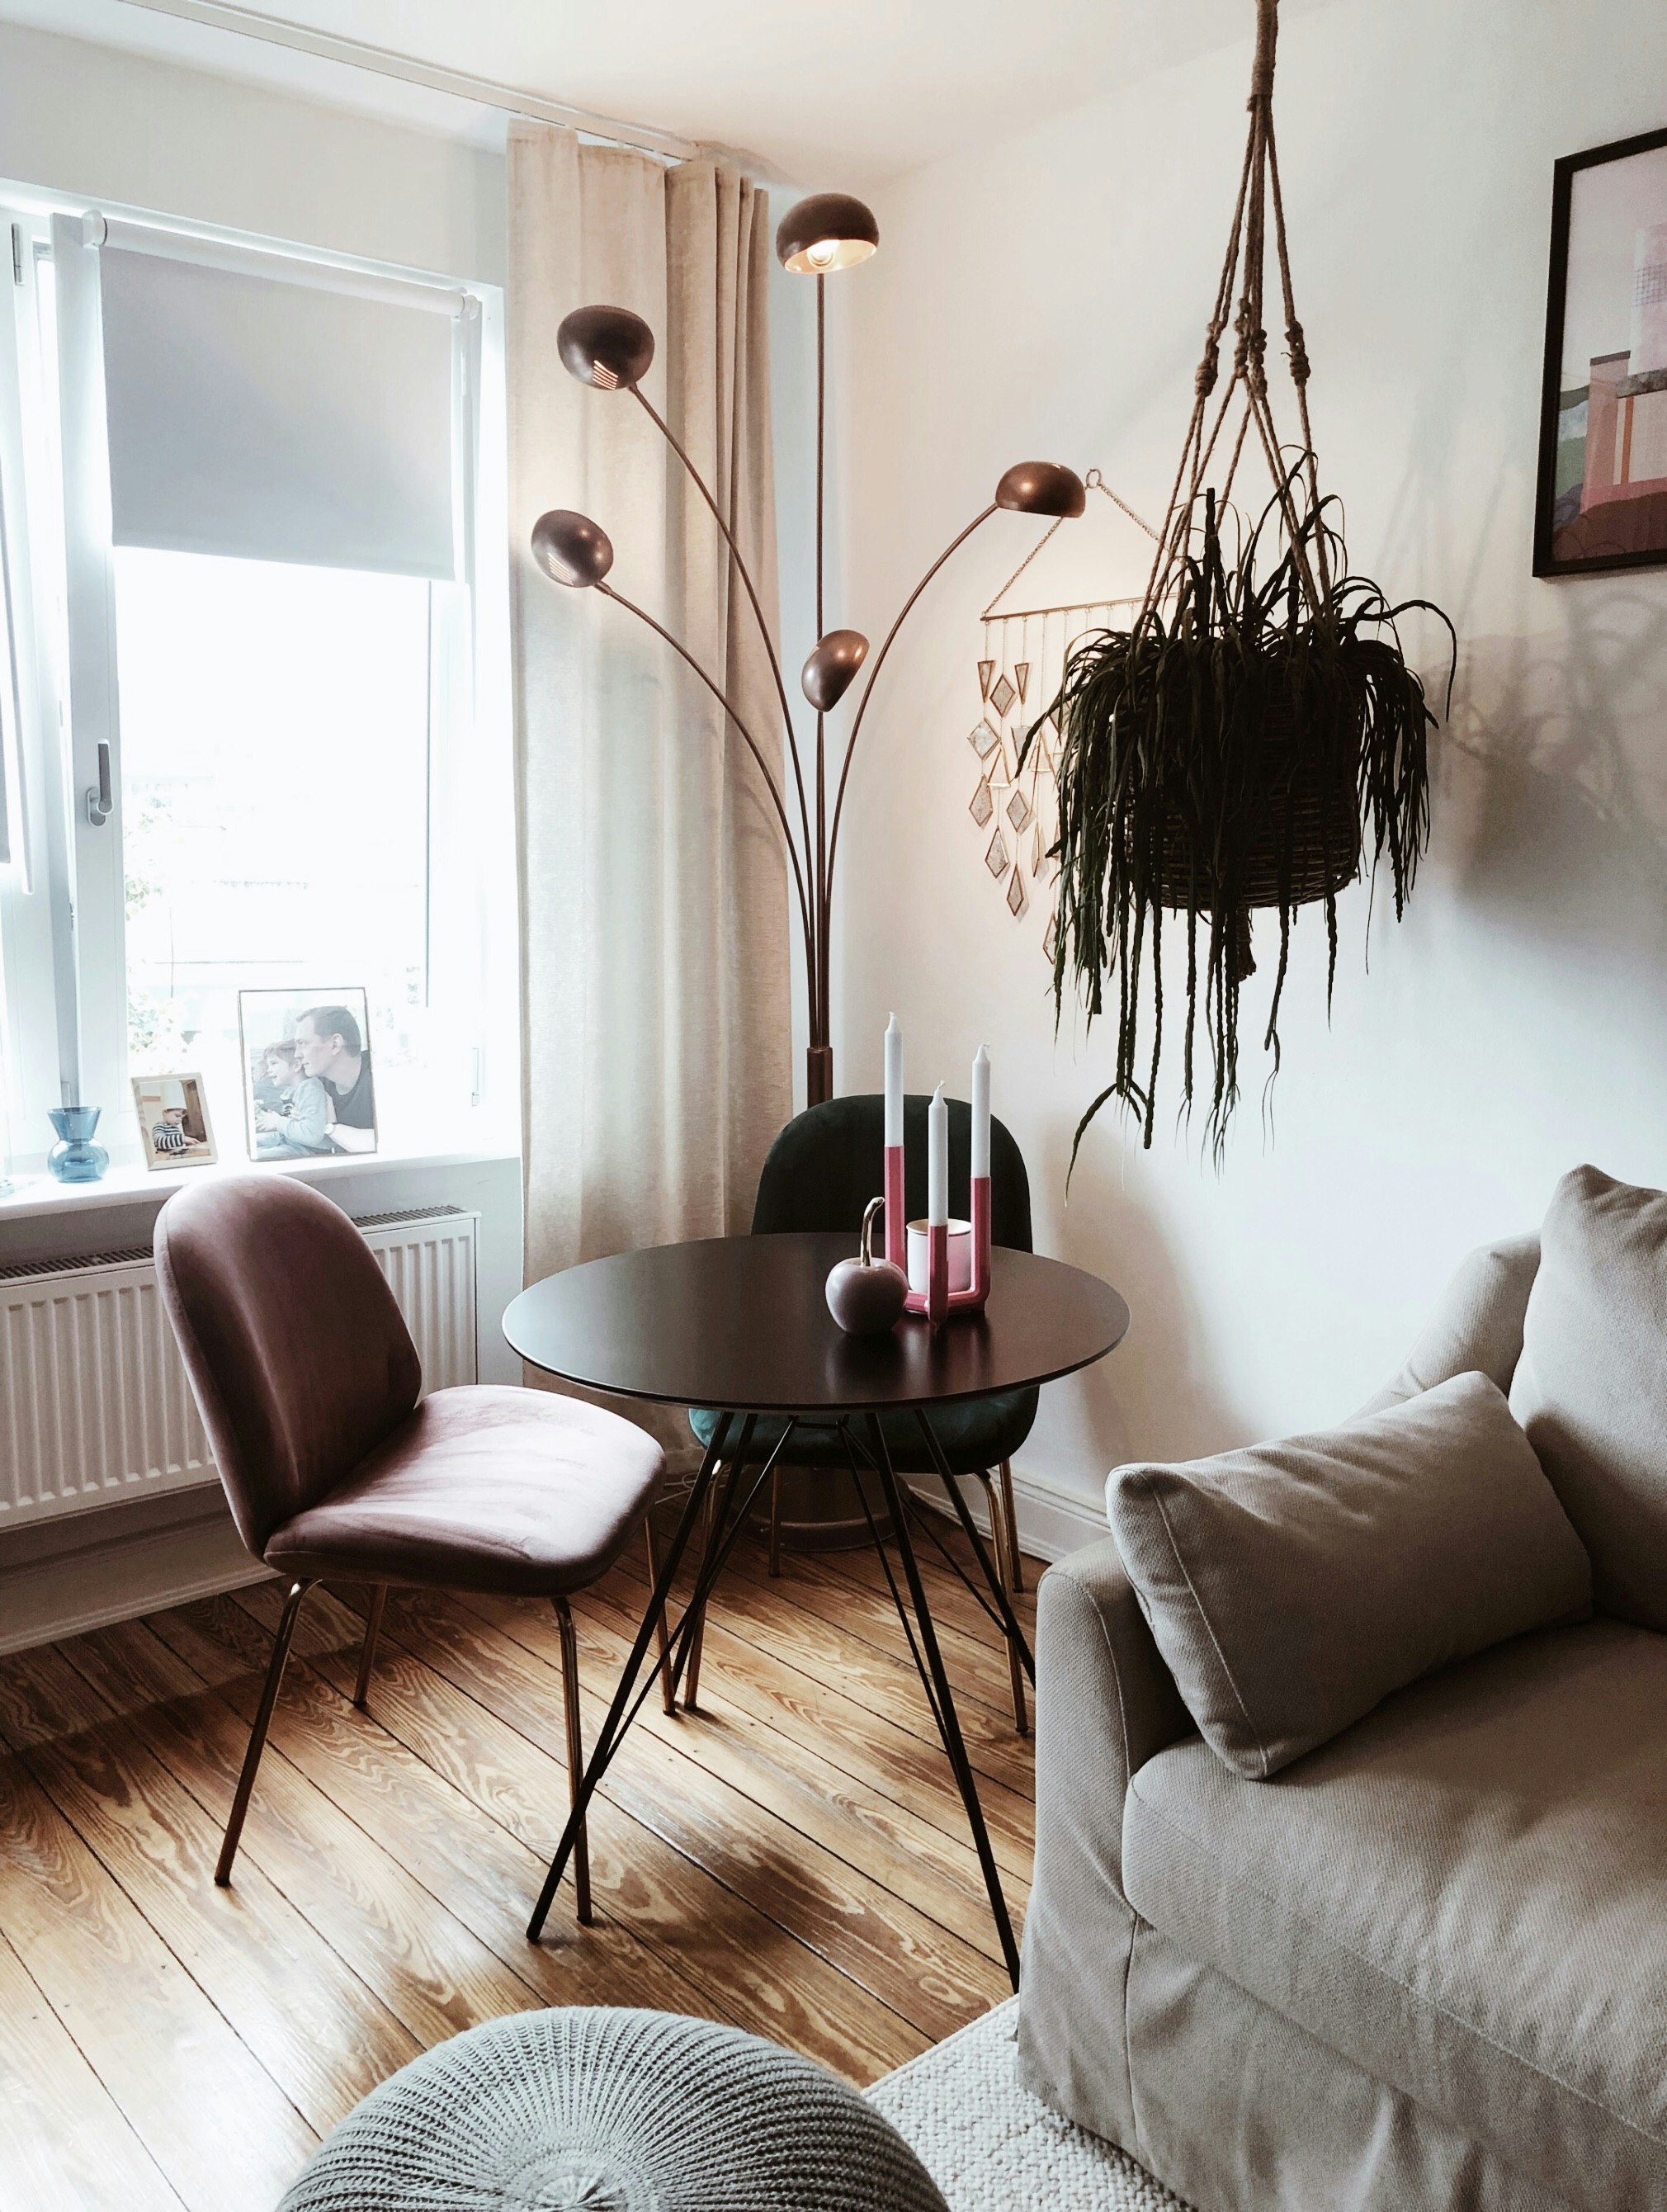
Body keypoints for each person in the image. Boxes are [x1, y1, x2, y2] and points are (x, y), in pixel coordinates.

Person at [294, 1003, 376, 1154]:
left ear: (335, 1044)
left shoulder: (380, 1075)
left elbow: (392, 1143)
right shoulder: (320, 1087)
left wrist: (330, 1127)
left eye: (303, 1044)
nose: (297, 1055)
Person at [253, 1041, 333, 1157]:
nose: (268, 1070)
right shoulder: (290, 1090)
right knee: (247, 1144)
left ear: (296, 1065)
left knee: (257, 1156)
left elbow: (312, 1135)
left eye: (274, 1063)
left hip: (308, 1149)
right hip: (289, 1139)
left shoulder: (310, 1089)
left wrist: (277, 1122)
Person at [150, 1078, 196, 1157]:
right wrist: (182, 1139)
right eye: (177, 1116)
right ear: (165, 1112)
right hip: (164, 1158)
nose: (180, 1120)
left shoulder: (175, 1128)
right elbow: (160, 1142)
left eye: (181, 1118)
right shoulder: (159, 1126)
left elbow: (177, 1145)